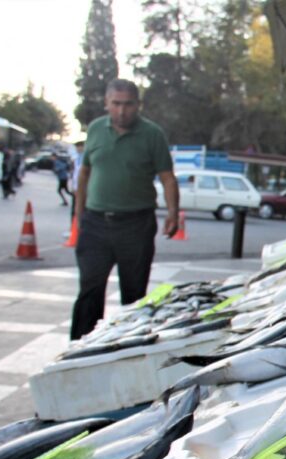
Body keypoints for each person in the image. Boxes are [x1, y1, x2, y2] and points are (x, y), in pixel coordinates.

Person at [70, 78, 179, 341]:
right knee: (90, 289)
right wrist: (79, 213)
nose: (121, 111)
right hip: (95, 223)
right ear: (107, 104)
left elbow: (167, 177)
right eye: (116, 104)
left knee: (133, 292)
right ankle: (81, 347)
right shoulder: (96, 130)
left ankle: (126, 346)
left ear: (138, 105)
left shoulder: (152, 134)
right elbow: (85, 173)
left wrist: (173, 213)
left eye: (128, 105)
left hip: (136, 224)